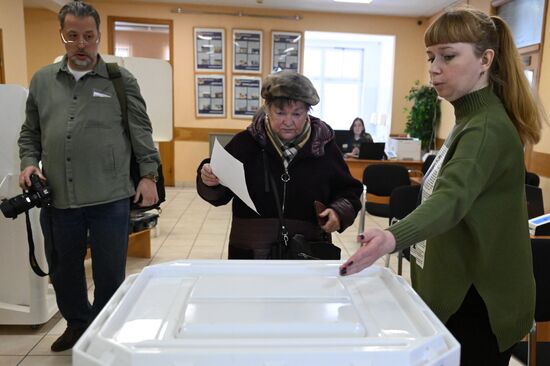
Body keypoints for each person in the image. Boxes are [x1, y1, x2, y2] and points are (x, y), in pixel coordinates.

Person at [340, 7, 546, 366]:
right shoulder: (469, 118)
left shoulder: (484, 127)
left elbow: (451, 199)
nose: (434, 68)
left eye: (448, 56)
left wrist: (392, 237)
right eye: (431, 57)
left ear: (485, 60)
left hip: (478, 299)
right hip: (456, 290)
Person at [17, 1, 160, 352]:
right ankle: (77, 325)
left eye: (89, 36)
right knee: (64, 270)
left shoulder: (119, 80)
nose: (81, 44)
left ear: (99, 36)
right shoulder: (42, 80)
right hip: (59, 196)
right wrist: (28, 161)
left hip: (110, 196)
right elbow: (30, 132)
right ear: (62, 36)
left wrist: (149, 176)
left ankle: (103, 328)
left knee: (110, 272)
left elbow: (140, 130)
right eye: (73, 36)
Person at [197, 71, 363, 259]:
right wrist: (210, 180)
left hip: (307, 252)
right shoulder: (246, 143)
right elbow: (219, 194)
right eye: (280, 113)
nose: (288, 121)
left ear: (308, 112)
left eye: (297, 114)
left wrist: (338, 213)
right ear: (267, 108)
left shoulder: (323, 146)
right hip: (251, 252)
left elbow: (349, 191)